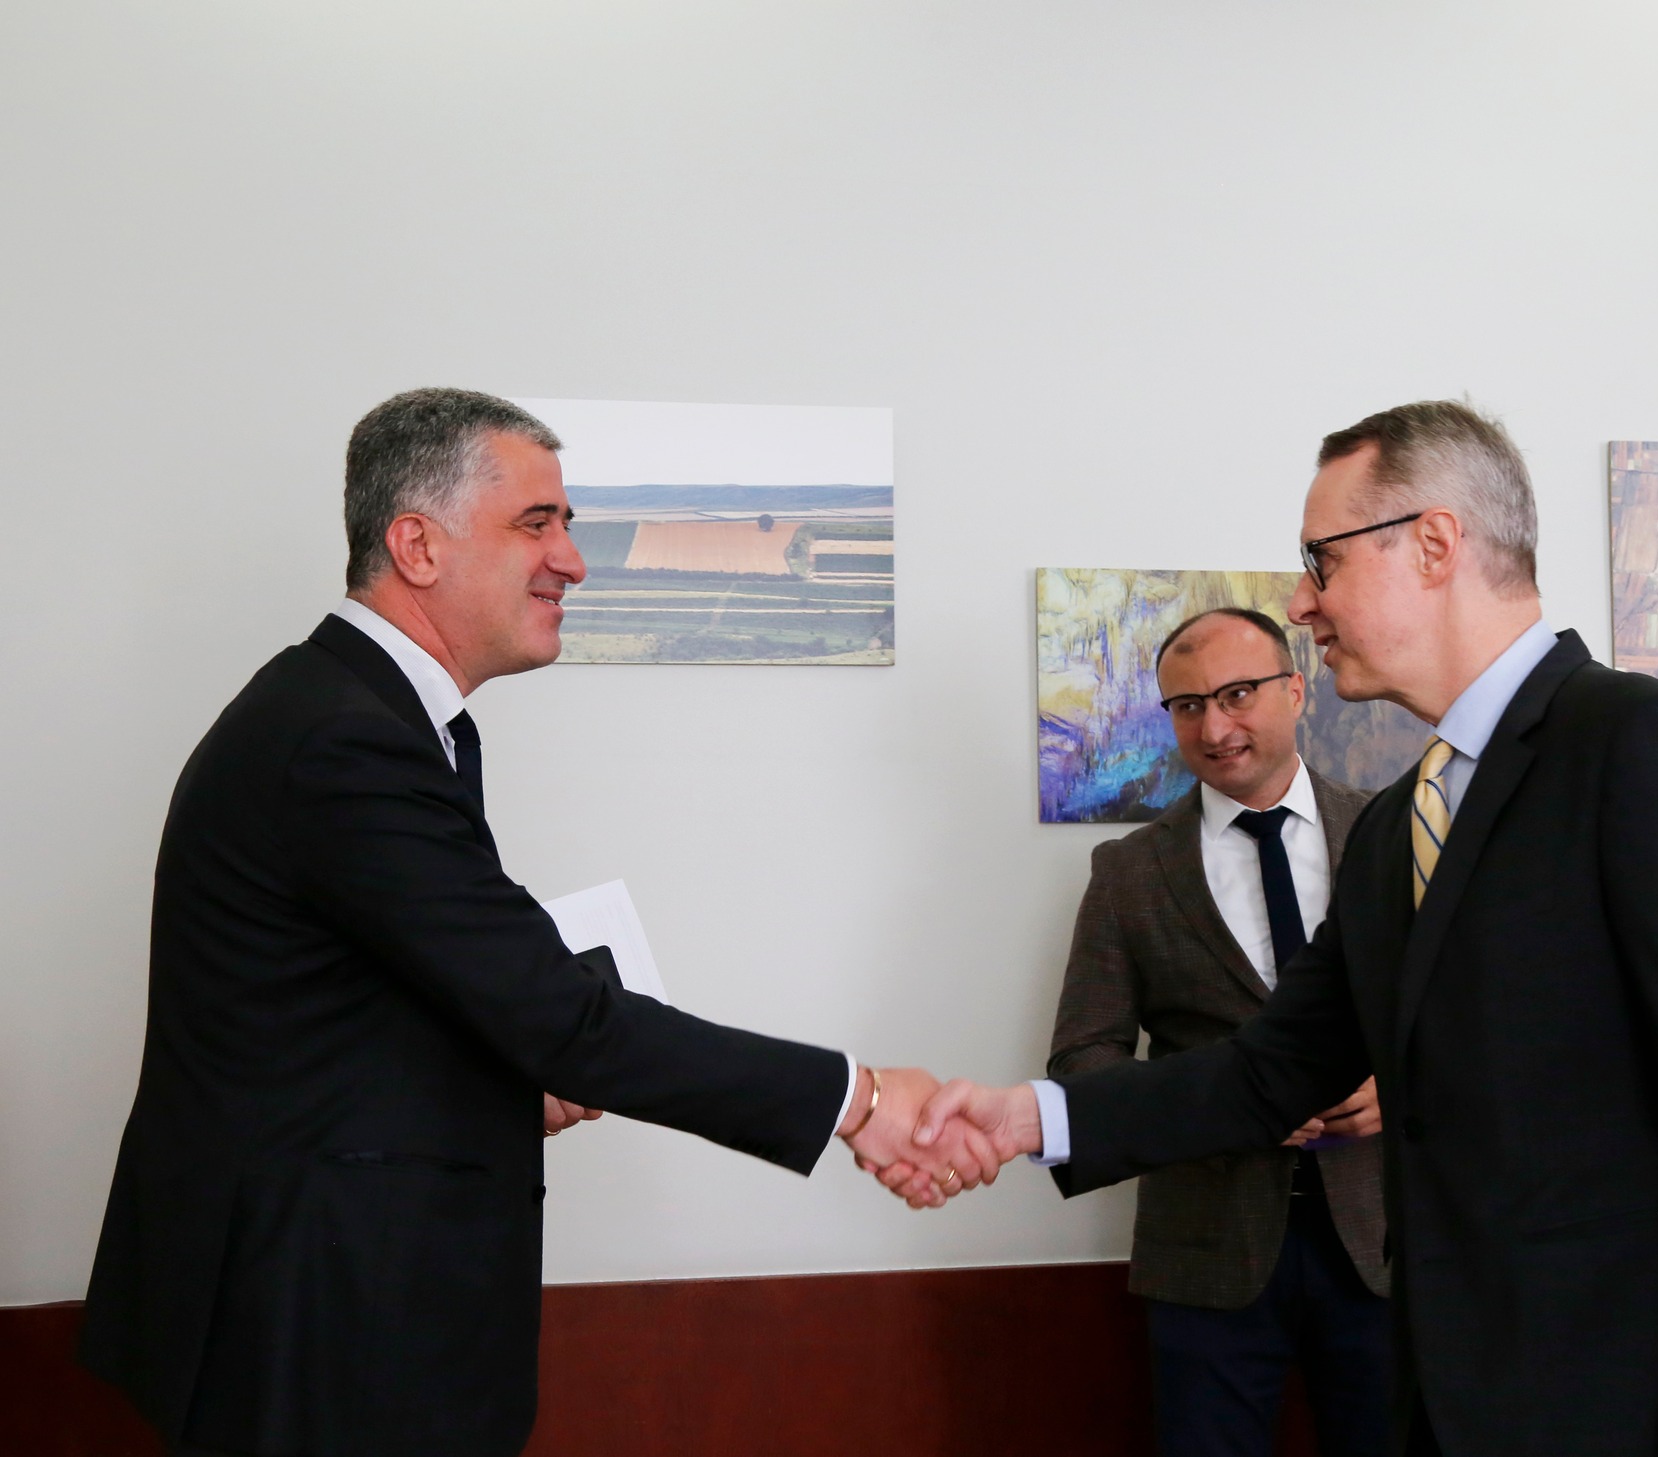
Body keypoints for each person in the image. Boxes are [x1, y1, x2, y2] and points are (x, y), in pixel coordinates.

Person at [917, 401, 1658, 1457]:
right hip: (1450, 1400)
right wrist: (1023, 1117)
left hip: (1632, 1409)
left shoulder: (1643, 748)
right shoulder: (1399, 823)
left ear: (1434, 543)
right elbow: (1265, 1073)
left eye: (1321, 560)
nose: (1302, 603)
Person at [78, 388, 991, 1457]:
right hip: (321, 1333)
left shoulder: (361, 715)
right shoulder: (343, 738)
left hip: (343, 1319)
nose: (573, 561)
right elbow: (562, 1017)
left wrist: (509, 1066)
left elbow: (364, 1006)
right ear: (417, 545)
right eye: (536, 523)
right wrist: (858, 1098)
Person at [1049, 604, 1392, 1457]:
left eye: (1238, 693)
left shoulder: (1392, 838)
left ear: (1296, 691)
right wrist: (1221, 1102)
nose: (1215, 726)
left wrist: (1398, 1088)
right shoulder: (1128, 871)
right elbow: (1082, 1062)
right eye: (1189, 704)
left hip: (1388, 1243)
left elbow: (1476, 1025)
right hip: (1205, 1254)